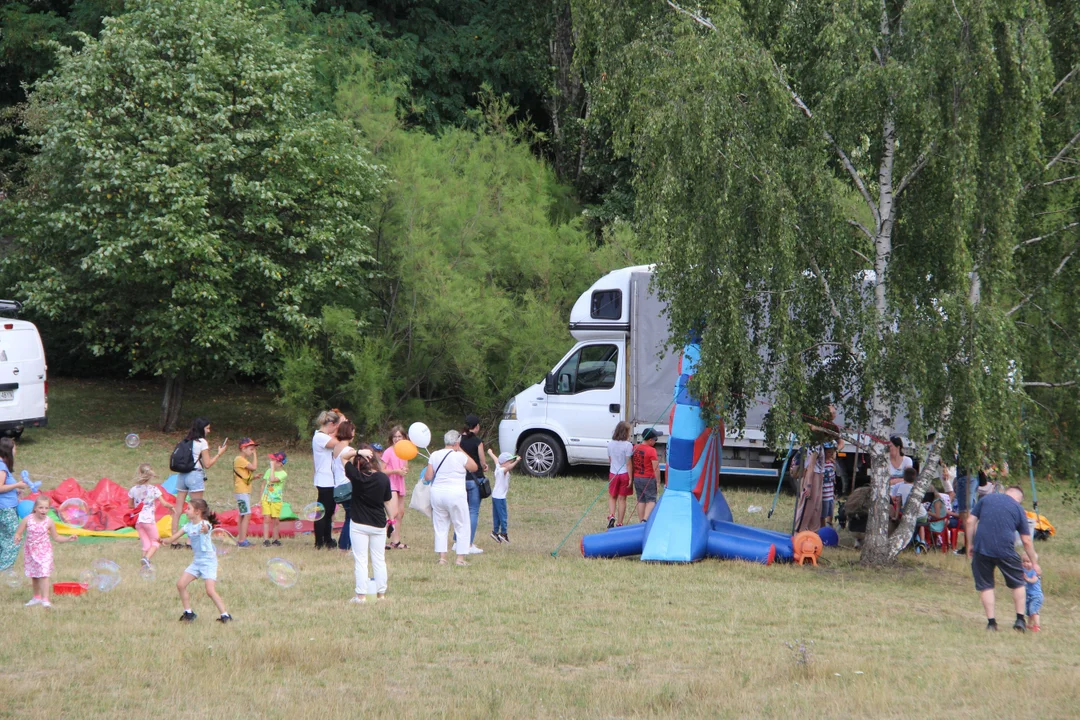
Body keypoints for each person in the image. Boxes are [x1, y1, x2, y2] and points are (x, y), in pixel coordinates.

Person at [966, 486, 1040, 632]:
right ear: (1019, 498)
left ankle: (991, 623)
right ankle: (1019, 620)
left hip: (982, 549)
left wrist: (970, 544)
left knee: (986, 585)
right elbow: (1026, 540)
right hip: (1006, 550)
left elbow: (969, 521)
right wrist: (1034, 562)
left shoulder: (986, 499)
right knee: (1018, 583)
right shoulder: (1018, 508)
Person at [166, 498, 231, 623]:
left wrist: (205, 529)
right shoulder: (188, 526)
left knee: (210, 591)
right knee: (180, 584)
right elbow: (174, 537)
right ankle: (188, 613)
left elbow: (207, 528)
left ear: (198, 511)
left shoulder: (205, 524)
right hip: (197, 562)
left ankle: (225, 615)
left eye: (188, 508)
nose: (186, 511)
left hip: (208, 561)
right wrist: (164, 541)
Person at [170, 418, 228, 548]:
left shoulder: (186, 440)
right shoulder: (202, 442)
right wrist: (219, 454)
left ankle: (173, 541)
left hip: (181, 476)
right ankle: (191, 541)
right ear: (202, 429)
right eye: (207, 428)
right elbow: (207, 464)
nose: (209, 430)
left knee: (178, 509)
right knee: (197, 509)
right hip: (195, 475)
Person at [344, 444, 391, 603]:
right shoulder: (383, 478)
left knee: (361, 560)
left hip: (359, 523)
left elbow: (342, 457)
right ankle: (381, 594)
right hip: (378, 523)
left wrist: (357, 452)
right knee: (379, 559)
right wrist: (391, 520)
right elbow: (387, 501)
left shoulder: (356, 477)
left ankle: (361, 596)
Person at [426, 430, 478, 566]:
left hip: (437, 493)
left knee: (440, 526)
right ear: (457, 443)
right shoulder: (460, 456)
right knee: (462, 525)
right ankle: (460, 558)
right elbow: (474, 467)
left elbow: (428, 477)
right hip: (456, 493)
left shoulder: (435, 455)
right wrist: (460, 450)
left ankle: (442, 558)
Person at [14, 496, 77, 607]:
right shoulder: (28, 519)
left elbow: (56, 537)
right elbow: (19, 532)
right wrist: (17, 537)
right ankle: (36, 597)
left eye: (46, 508)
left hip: (44, 551)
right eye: (41, 507)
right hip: (31, 552)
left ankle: (45, 599)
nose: (43, 510)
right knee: (34, 575)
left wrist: (68, 539)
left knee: (44, 574)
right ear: (35, 508)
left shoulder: (49, 522)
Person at [312, 410, 350, 550]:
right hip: (324, 480)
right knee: (323, 512)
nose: (337, 429)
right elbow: (339, 444)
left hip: (328, 480)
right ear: (332, 424)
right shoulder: (320, 437)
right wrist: (343, 426)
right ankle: (320, 541)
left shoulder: (323, 436)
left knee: (328, 512)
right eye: (336, 426)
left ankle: (327, 539)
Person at [129, 463, 173, 569]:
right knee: (156, 542)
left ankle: (143, 567)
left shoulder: (133, 489)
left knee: (146, 544)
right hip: (149, 520)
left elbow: (130, 505)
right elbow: (164, 503)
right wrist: (171, 507)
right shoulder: (154, 489)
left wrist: (138, 504)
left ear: (139, 473)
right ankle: (146, 559)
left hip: (138, 521)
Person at [458, 415, 489, 554]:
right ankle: (468, 543)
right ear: (476, 427)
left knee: (461, 511)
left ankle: (457, 541)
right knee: (473, 511)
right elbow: (482, 461)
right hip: (474, 479)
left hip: (460, 479)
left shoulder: (457, 441)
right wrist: (485, 466)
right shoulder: (477, 441)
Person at [0, 437, 29, 572]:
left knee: (3, 537)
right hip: (5, 509)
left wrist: (15, 490)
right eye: (14, 448)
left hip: (5, 507)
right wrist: (17, 484)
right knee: (15, 537)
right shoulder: (1, 466)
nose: (15, 450)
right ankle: (5, 568)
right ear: (8, 450)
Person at [382, 426, 409, 550]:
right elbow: (381, 470)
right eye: (395, 437)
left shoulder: (405, 451)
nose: (397, 439)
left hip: (400, 483)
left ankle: (396, 541)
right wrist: (395, 471)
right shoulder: (388, 451)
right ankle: (381, 539)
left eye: (399, 436)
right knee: (393, 512)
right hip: (390, 483)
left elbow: (406, 466)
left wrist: (404, 470)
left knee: (400, 513)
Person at [487, 449, 520, 543]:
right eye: (510, 462)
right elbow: (508, 468)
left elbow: (496, 460)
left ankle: (495, 532)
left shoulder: (498, 467)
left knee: (496, 515)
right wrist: (517, 461)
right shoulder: (502, 470)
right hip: (500, 498)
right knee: (503, 516)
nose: (511, 463)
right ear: (505, 463)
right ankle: (504, 534)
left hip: (495, 496)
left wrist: (490, 453)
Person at [333, 422, 357, 552]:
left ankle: (343, 544)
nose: (354, 434)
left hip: (338, 486)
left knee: (349, 516)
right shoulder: (348, 450)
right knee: (352, 518)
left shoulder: (336, 447)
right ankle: (345, 546)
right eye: (353, 431)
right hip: (348, 486)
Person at [606, 421, 634, 529]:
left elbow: (610, 459)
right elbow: (628, 463)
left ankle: (611, 515)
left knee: (612, 497)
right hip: (624, 474)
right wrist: (631, 478)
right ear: (625, 432)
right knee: (622, 499)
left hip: (613, 473)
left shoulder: (610, 444)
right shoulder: (628, 445)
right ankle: (620, 523)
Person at [232, 438, 259, 547]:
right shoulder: (240, 459)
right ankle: (242, 540)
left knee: (243, 515)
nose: (252, 451)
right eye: (251, 449)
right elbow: (254, 467)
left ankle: (242, 538)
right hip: (241, 491)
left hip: (243, 490)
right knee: (246, 514)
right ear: (243, 448)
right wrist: (255, 455)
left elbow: (243, 476)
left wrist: (254, 478)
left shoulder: (241, 460)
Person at [632, 428, 661, 522]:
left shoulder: (635, 447)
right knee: (651, 500)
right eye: (655, 439)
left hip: (637, 478)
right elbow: (656, 468)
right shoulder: (651, 451)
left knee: (641, 500)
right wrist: (658, 481)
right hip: (648, 479)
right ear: (650, 440)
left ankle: (641, 521)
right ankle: (645, 519)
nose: (656, 441)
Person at [261, 453, 286, 547]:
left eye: (274, 461)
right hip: (266, 499)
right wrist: (261, 497)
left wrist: (272, 468)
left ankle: (275, 539)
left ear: (280, 463)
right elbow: (263, 484)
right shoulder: (268, 471)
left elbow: (272, 479)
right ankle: (266, 539)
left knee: (276, 520)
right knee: (266, 518)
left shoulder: (283, 474)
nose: (272, 462)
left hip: (276, 500)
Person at [1023, 558, 1043, 632]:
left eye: (1028, 561)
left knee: (1033, 610)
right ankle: (1030, 624)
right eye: (1023, 561)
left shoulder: (1035, 571)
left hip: (1036, 595)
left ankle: (1037, 625)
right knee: (1028, 611)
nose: (1025, 563)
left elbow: (1034, 580)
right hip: (1028, 595)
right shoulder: (1024, 570)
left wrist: (1027, 579)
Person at [821, 443, 837, 526]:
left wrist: (833, 493)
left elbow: (832, 480)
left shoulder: (831, 464)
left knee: (830, 512)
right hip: (824, 494)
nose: (830, 454)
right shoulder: (821, 465)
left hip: (830, 493)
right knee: (823, 514)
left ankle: (829, 525)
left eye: (832, 452)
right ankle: (822, 528)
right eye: (828, 452)